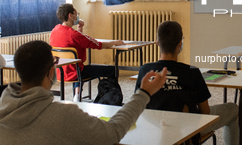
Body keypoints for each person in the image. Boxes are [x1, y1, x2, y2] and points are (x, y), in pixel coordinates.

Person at [0, 41, 167, 145]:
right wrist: (144, 92)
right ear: (51, 72)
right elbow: (112, 133)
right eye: (55, 62)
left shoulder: (4, 107)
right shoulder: (62, 115)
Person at [135, 21, 239, 145]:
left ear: (157, 42)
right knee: (233, 109)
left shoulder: (145, 70)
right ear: (180, 44)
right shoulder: (192, 72)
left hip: (153, 128)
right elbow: (205, 112)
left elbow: (138, 105)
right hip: (188, 129)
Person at [50, 3, 125, 102]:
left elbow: (77, 42)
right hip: (77, 72)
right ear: (70, 16)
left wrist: (79, 29)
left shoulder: (55, 31)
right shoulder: (74, 35)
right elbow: (97, 44)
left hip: (61, 72)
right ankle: (111, 99)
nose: (77, 17)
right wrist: (116, 42)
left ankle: (77, 94)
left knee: (76, 65)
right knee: (112, 70)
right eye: (76, 14)